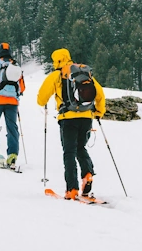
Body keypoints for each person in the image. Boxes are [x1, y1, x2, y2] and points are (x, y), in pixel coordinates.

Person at [36, 48, 105, 199]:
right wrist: (98, 112)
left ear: (56, 60)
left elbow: (41, 98)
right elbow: (99, 94)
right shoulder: (83, 73)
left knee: (69, 152)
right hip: (86, 117)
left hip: (68, 118)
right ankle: (87, 173)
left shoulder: (57, 75)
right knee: (81, 147)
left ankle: (71, 189)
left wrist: (44, 101)